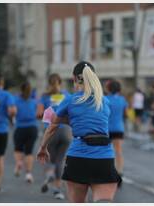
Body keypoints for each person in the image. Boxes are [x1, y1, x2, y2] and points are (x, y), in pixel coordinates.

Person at [37, 61, 121, 203]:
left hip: (78, 158)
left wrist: (43, 147)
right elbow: (92, 124)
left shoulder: (70, 100)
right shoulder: (104, 101)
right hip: (104, 158)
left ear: (74, 78)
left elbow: (52, 126)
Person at [37, 73, 72, 200]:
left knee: (49, 158)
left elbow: (39, 113)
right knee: (60, 160)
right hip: (66, 131)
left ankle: (50, 173)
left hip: (51, 131)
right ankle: (58, 190)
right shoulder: (67, 95)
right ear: (60, 82)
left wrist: (46, 114)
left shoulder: (45, 96)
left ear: (49, 83)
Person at [13, 82, 38, 183]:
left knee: (18, 149)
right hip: (32, 128)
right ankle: (28, 174)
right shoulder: (34, 101)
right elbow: (37, 113)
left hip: (20, 127)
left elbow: (12, 112)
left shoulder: (16, 100)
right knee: (29, 152)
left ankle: (19, 162)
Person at [106, 79, 128, 187]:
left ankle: (109, 173)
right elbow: (125, 114)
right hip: (119, 128)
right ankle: (119, 173)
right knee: (118, 151)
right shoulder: (122, 100)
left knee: (107, 151)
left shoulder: (105, 99)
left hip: (107, 129)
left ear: (109, 89)